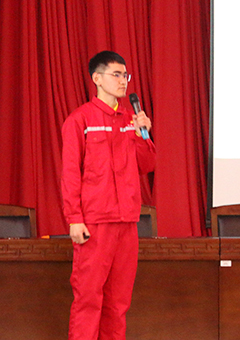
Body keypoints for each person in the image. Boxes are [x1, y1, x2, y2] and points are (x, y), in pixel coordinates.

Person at [61, 51, 156, 340]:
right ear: (97, 78)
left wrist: (143, 133)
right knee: (88, 299)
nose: (123, 81)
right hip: (95, 224)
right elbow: (70, 173)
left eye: (125, 75)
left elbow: (146, 165)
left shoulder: (130, 120)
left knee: (118, 303)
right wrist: (74, 218)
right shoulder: (80, 120)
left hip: (127, 222)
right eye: (116, 74)